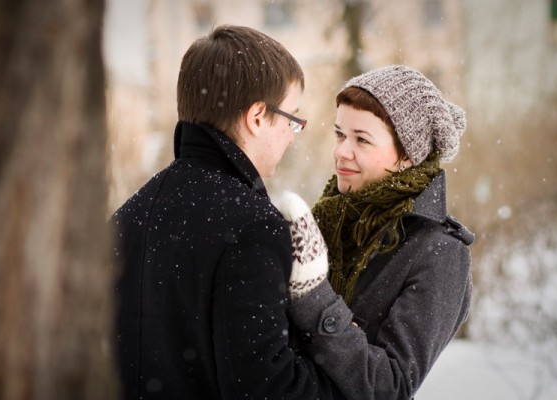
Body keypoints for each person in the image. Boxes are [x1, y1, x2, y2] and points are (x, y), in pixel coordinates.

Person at [110, 25, 346, 399]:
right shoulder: (252, 226)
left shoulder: (125, 217)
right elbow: (267, 387)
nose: (291, 135)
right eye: (291, 119)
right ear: (257, 117)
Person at [275, 65, 474, 400]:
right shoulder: (327, 220)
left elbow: (391, 388)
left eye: (361, 140)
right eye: (339, 134)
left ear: (408, 156)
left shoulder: (440, 253)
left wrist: (314, 298)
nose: (341, 151)